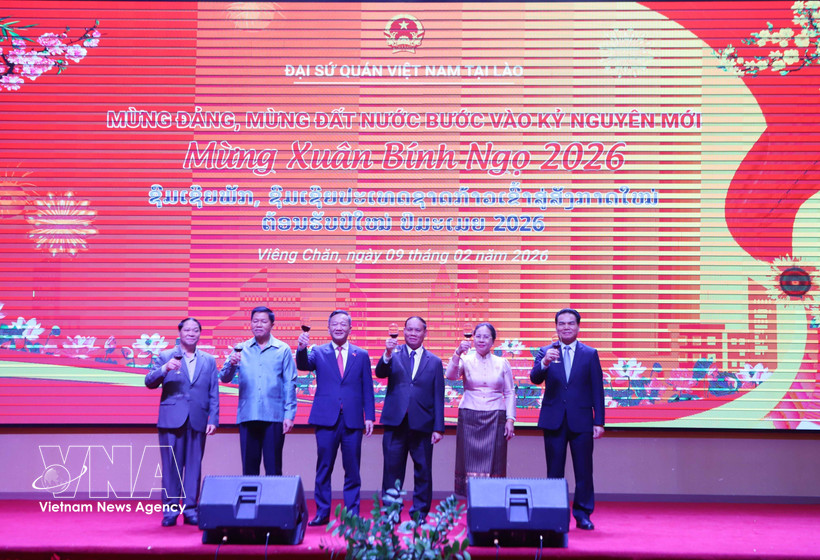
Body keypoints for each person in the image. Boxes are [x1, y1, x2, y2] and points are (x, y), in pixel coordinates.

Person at [296, 310, 375, 526]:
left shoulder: (362, 354)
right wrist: (301, 349)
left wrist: (369, 416)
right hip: (325, 419)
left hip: (352, 420)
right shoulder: (318, 352)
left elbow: (367, 387)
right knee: (324, 467)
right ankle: (322, 512)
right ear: (329, 328)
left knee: (352, 469)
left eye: (343, 324)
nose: (338, 327)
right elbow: (303, 365)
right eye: (334, 324)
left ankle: (352, 514)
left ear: (350, 328)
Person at [529, 308, 605, 530]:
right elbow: (534, 378)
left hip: (581, 420)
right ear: (556, 327)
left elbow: (597, 390)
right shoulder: (546, 352)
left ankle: (582, 514)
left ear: (578, 327)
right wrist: (544, 364)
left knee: (584, 470)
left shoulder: (590, 354)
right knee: (554, 471)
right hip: (554, 420)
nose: (566, 327)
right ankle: (554, 513)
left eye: (570, 323)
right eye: (561, 324)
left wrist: (598, 421)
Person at [145, 317, 219, 527]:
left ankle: (190, 509)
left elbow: (213, 391)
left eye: (195, 330)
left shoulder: (208, 360)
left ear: (199, 334)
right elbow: (149, 382)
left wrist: (213, 418)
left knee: (194, 466)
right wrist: (165, 369)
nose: (191, 333)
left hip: (197, 418)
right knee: (171, 467)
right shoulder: (166, 356)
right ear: (180, 333)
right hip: (171, 420)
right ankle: (170, 511)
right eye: (187, 330)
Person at [375, 316, 444, 520]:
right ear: (404, 332)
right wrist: (386, 354)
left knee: (423, 472)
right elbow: (380, 372)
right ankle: (391, 513)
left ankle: (419, 513)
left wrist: (438, 428)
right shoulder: (393, 355)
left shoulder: (435, 361)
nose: (413, 333)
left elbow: (438, 396)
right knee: (391, 471)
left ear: (425, 333)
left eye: (418, 330)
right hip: (395, 423)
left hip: (423, 424)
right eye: (409, 330)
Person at [220, 306, 297, 476]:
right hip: (248, 415)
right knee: (249, 469)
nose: (258, 325)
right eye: (255, 321)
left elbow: (289, 384)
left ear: (272, 325)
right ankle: (249, 503)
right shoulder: (241, 348)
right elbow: (224, 378)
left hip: (274, 416)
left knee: (274, 468)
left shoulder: (282, 349)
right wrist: (231, 364)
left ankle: (273, 503)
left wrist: (289, 414)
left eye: (263, 321)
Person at [445, 322, 515, 497]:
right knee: (468, 462)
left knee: (495, 462)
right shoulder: (465, 359)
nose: (481, 340)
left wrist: (510, 419)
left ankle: (493, 502)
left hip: (496, 416)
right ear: (473, 338)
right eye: (478, 336)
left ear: (493, 341)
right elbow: (450, 376)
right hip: (469, 415)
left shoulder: (502, 362)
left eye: (486, 337)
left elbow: (510, 392)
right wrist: (457, 354)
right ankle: (472, 501)